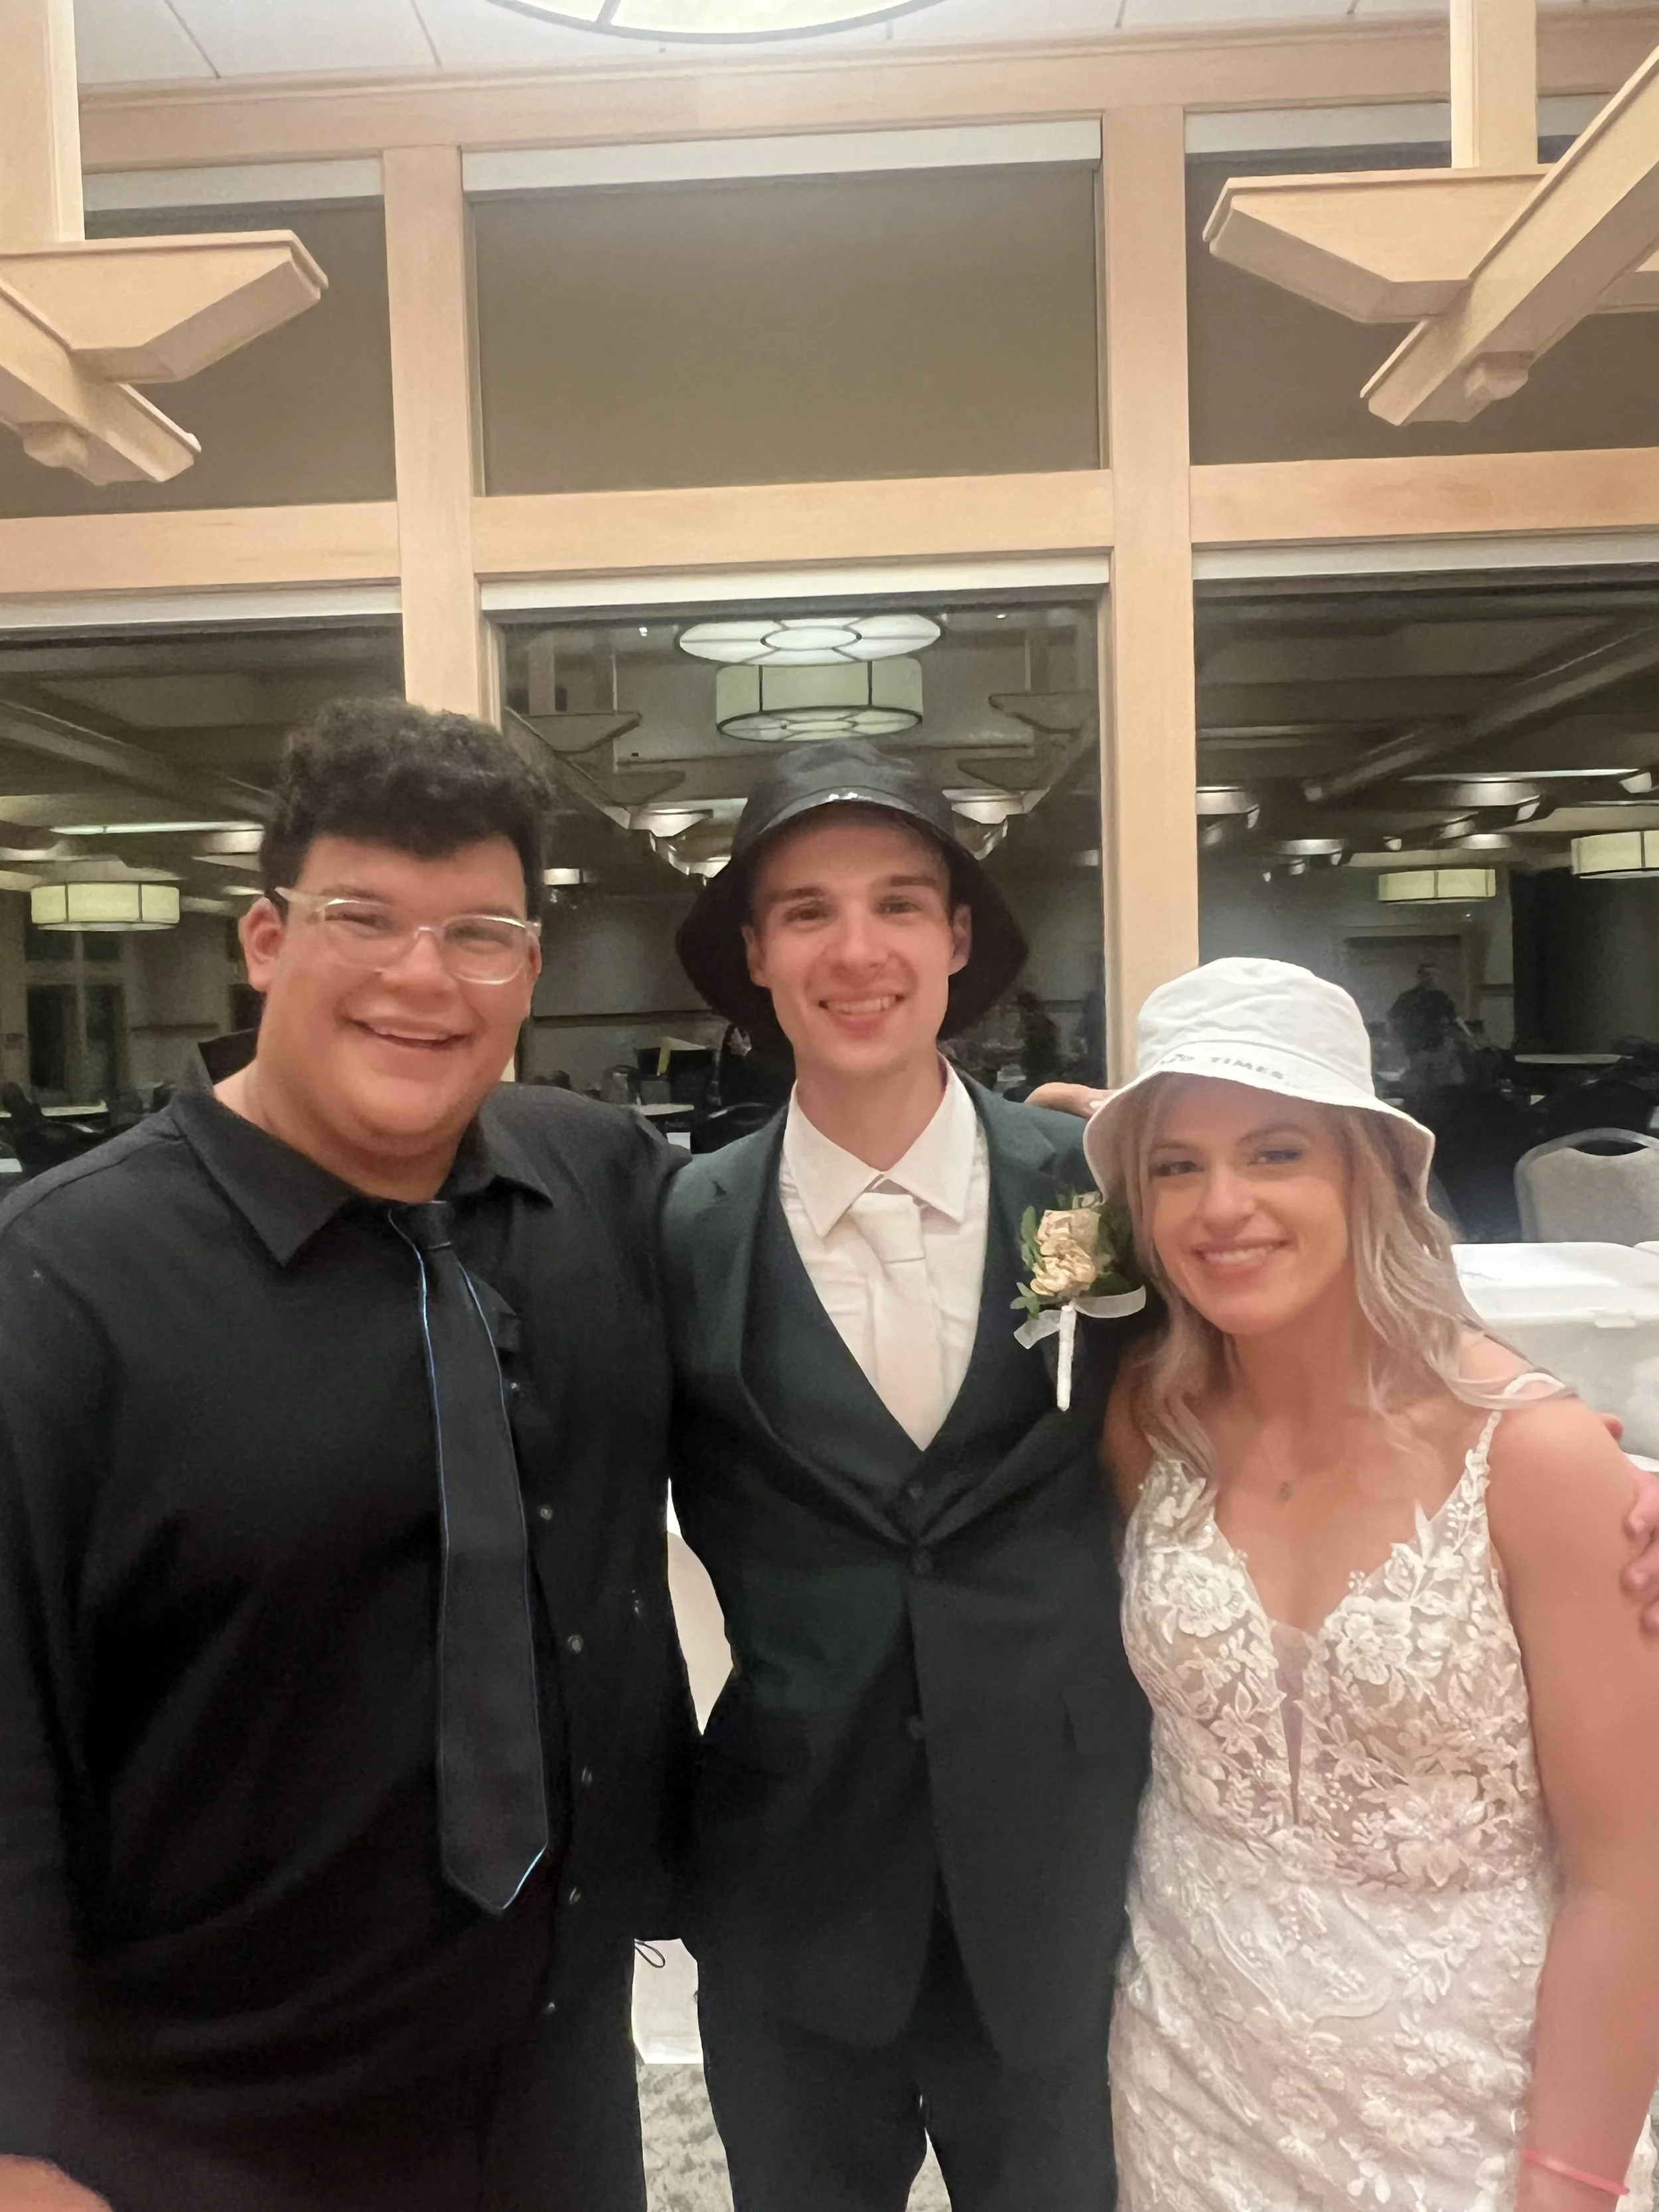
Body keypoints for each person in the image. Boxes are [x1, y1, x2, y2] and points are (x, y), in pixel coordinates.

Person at [0, 700, 688, 2212]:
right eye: (361, 919)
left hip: (553, 2089)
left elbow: (822, 1237)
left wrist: (1104, 1174)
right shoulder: (55, 1287)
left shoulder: (598, 1187)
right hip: (206, 2128)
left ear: (529, 970)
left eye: (478, 935)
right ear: (262, 940)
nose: (418, 979)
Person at [1083, 956, 1659, 2212]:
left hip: (1468, 2115)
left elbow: (1630, 1874)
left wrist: (1565, 2183)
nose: (1221, 1204)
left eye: (1277, 1152)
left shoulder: (1536, 1461)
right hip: (1188, 2075)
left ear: (1370, 1172)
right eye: (1176, 1165)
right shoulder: (1149, 1422)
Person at [660, 741, 1151, 2212]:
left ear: (956, 939)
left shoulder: (1091, 1187)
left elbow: (1293, 1363)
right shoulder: (681, 1220)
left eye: (897, 903)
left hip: (1067, 1883)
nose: (853, 949)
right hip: (790, 1887)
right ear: (755, 954)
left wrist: (1536, 1439)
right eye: (803, 910)